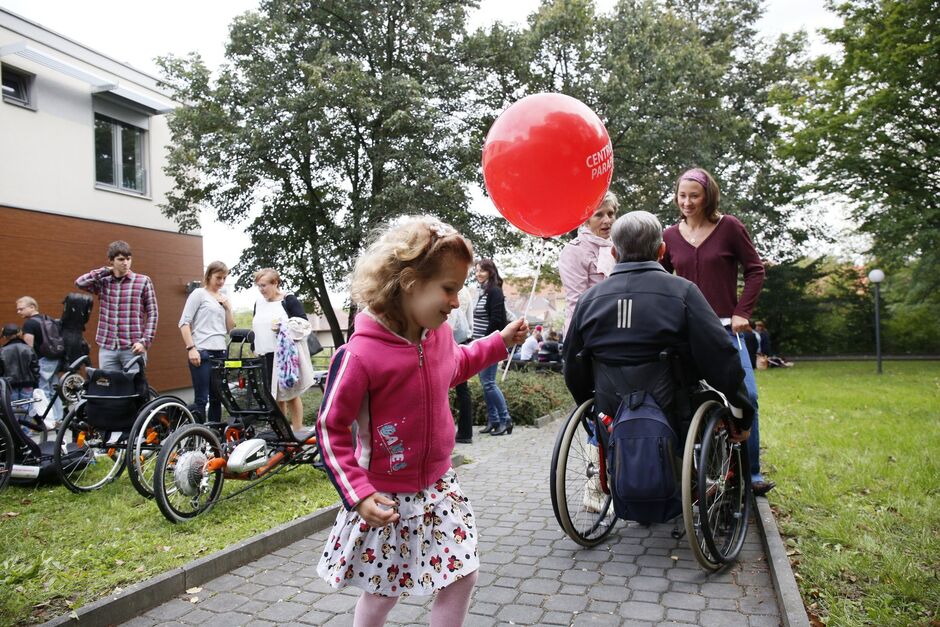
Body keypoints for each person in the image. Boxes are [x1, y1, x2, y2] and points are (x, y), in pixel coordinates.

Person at [315, 216, 527, 627]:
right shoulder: (360, 355)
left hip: (439, 487)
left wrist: (498, 342)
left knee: (462, 575)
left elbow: (456, 364)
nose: (456, 302)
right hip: (386, 497)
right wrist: (358, 494)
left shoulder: (438, 336)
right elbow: (330, 428)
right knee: (383, 591)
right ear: (410, 283)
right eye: (449, 288)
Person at [563, 210, 754, 445]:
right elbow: (720, 354)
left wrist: (587, 405)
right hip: (674, 411)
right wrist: (742, 414)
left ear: (614, 253)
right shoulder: (683, 292)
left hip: (611, 411)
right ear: (662, 250)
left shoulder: (588, 301)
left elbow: (572, 363)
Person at [660, 168, 773, 496]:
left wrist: (742, 312)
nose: (687, 202)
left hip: (725, 328)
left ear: (708, 196)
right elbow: (661, 278)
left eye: (694, 196)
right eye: (682, 195)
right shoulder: (669, 236)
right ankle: (697, 472)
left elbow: (755, 270)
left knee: (747, 396)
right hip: (686, 332)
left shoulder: (729, 228)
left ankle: (751, 473)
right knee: (684, 399)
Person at [75, 240, 158, 373]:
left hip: (133, 348)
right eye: (120, 259)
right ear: (111, 261)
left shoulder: (143, 281)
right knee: (108, 385)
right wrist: (105, 271)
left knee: (134, 385)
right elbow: (80, 282)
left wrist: (145, 342)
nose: (125, 263)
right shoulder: (103, 282)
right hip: (108, 348)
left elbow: (153, 313)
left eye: (128, 259)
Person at [251, 268, 308, 430]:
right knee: (274, 396)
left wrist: (284, 326)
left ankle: (297, 431)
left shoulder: (288, 300)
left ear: (275, 283)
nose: (261, 289)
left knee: (290, 395)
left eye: (263, 285)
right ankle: (282, 431)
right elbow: (255, 327)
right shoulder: (258, 303)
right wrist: (254, 347)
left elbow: (303, 323)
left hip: (284, 356)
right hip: (264, 355)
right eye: (258, 286)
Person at [178, 261, 236, 422]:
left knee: (217, 398)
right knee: (201, 399)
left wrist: (228, 308)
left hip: (220, 352)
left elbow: (230, 329)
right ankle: (198, 433)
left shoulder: (224, 298)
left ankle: (214, 434)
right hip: (202, 351)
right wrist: (191, 348)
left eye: (224, 278)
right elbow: (184, 323)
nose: (221, 281)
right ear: (209, 276)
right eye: (218, 277)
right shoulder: (199, 294)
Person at [559, 191, 619, 336]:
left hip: (620, 326)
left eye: (610, 214)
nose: (607, 220)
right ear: (586, 219)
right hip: (590, 330)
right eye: (599, 215)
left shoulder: (621, 245)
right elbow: (577, 302)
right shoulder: (574, 250)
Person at [472, 258, 513, 436]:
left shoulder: (495, 291)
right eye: (476, 271)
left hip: (490, 343)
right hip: (480, 344)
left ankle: (505, 419)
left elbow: (496, 319)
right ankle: (494, 420)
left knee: (489, 383)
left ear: (490, 271)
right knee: (485, 383)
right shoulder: (483, 292)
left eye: (482, 270)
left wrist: (486, 341)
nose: (478, 274)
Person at [16, 296, 62, 423]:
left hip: (41, 361)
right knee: (54, 391)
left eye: (21, 309)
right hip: (54, 359)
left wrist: (28, 365)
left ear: (32, 307)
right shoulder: (48, 319)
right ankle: (59, 419)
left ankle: (49, 421)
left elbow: (28, 348)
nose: (18, 312)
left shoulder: (29, 324)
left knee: (42, 391)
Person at [447, 286, 474, 444]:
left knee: (447, 389)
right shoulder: (464, 292)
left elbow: (451, 323)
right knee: (462, 389)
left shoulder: (456, 290)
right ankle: (465, 431)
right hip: (462, 340)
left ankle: (461, 432)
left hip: (451, 342)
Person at [0, 323, 40, 411]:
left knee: (11, 409)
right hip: (28, 383)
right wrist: (36, 382)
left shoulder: (2, 351)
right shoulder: (28, 348)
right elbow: (35, 367)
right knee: (27, 408)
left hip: (10, 385)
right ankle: (26, 421)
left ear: (6, 337)